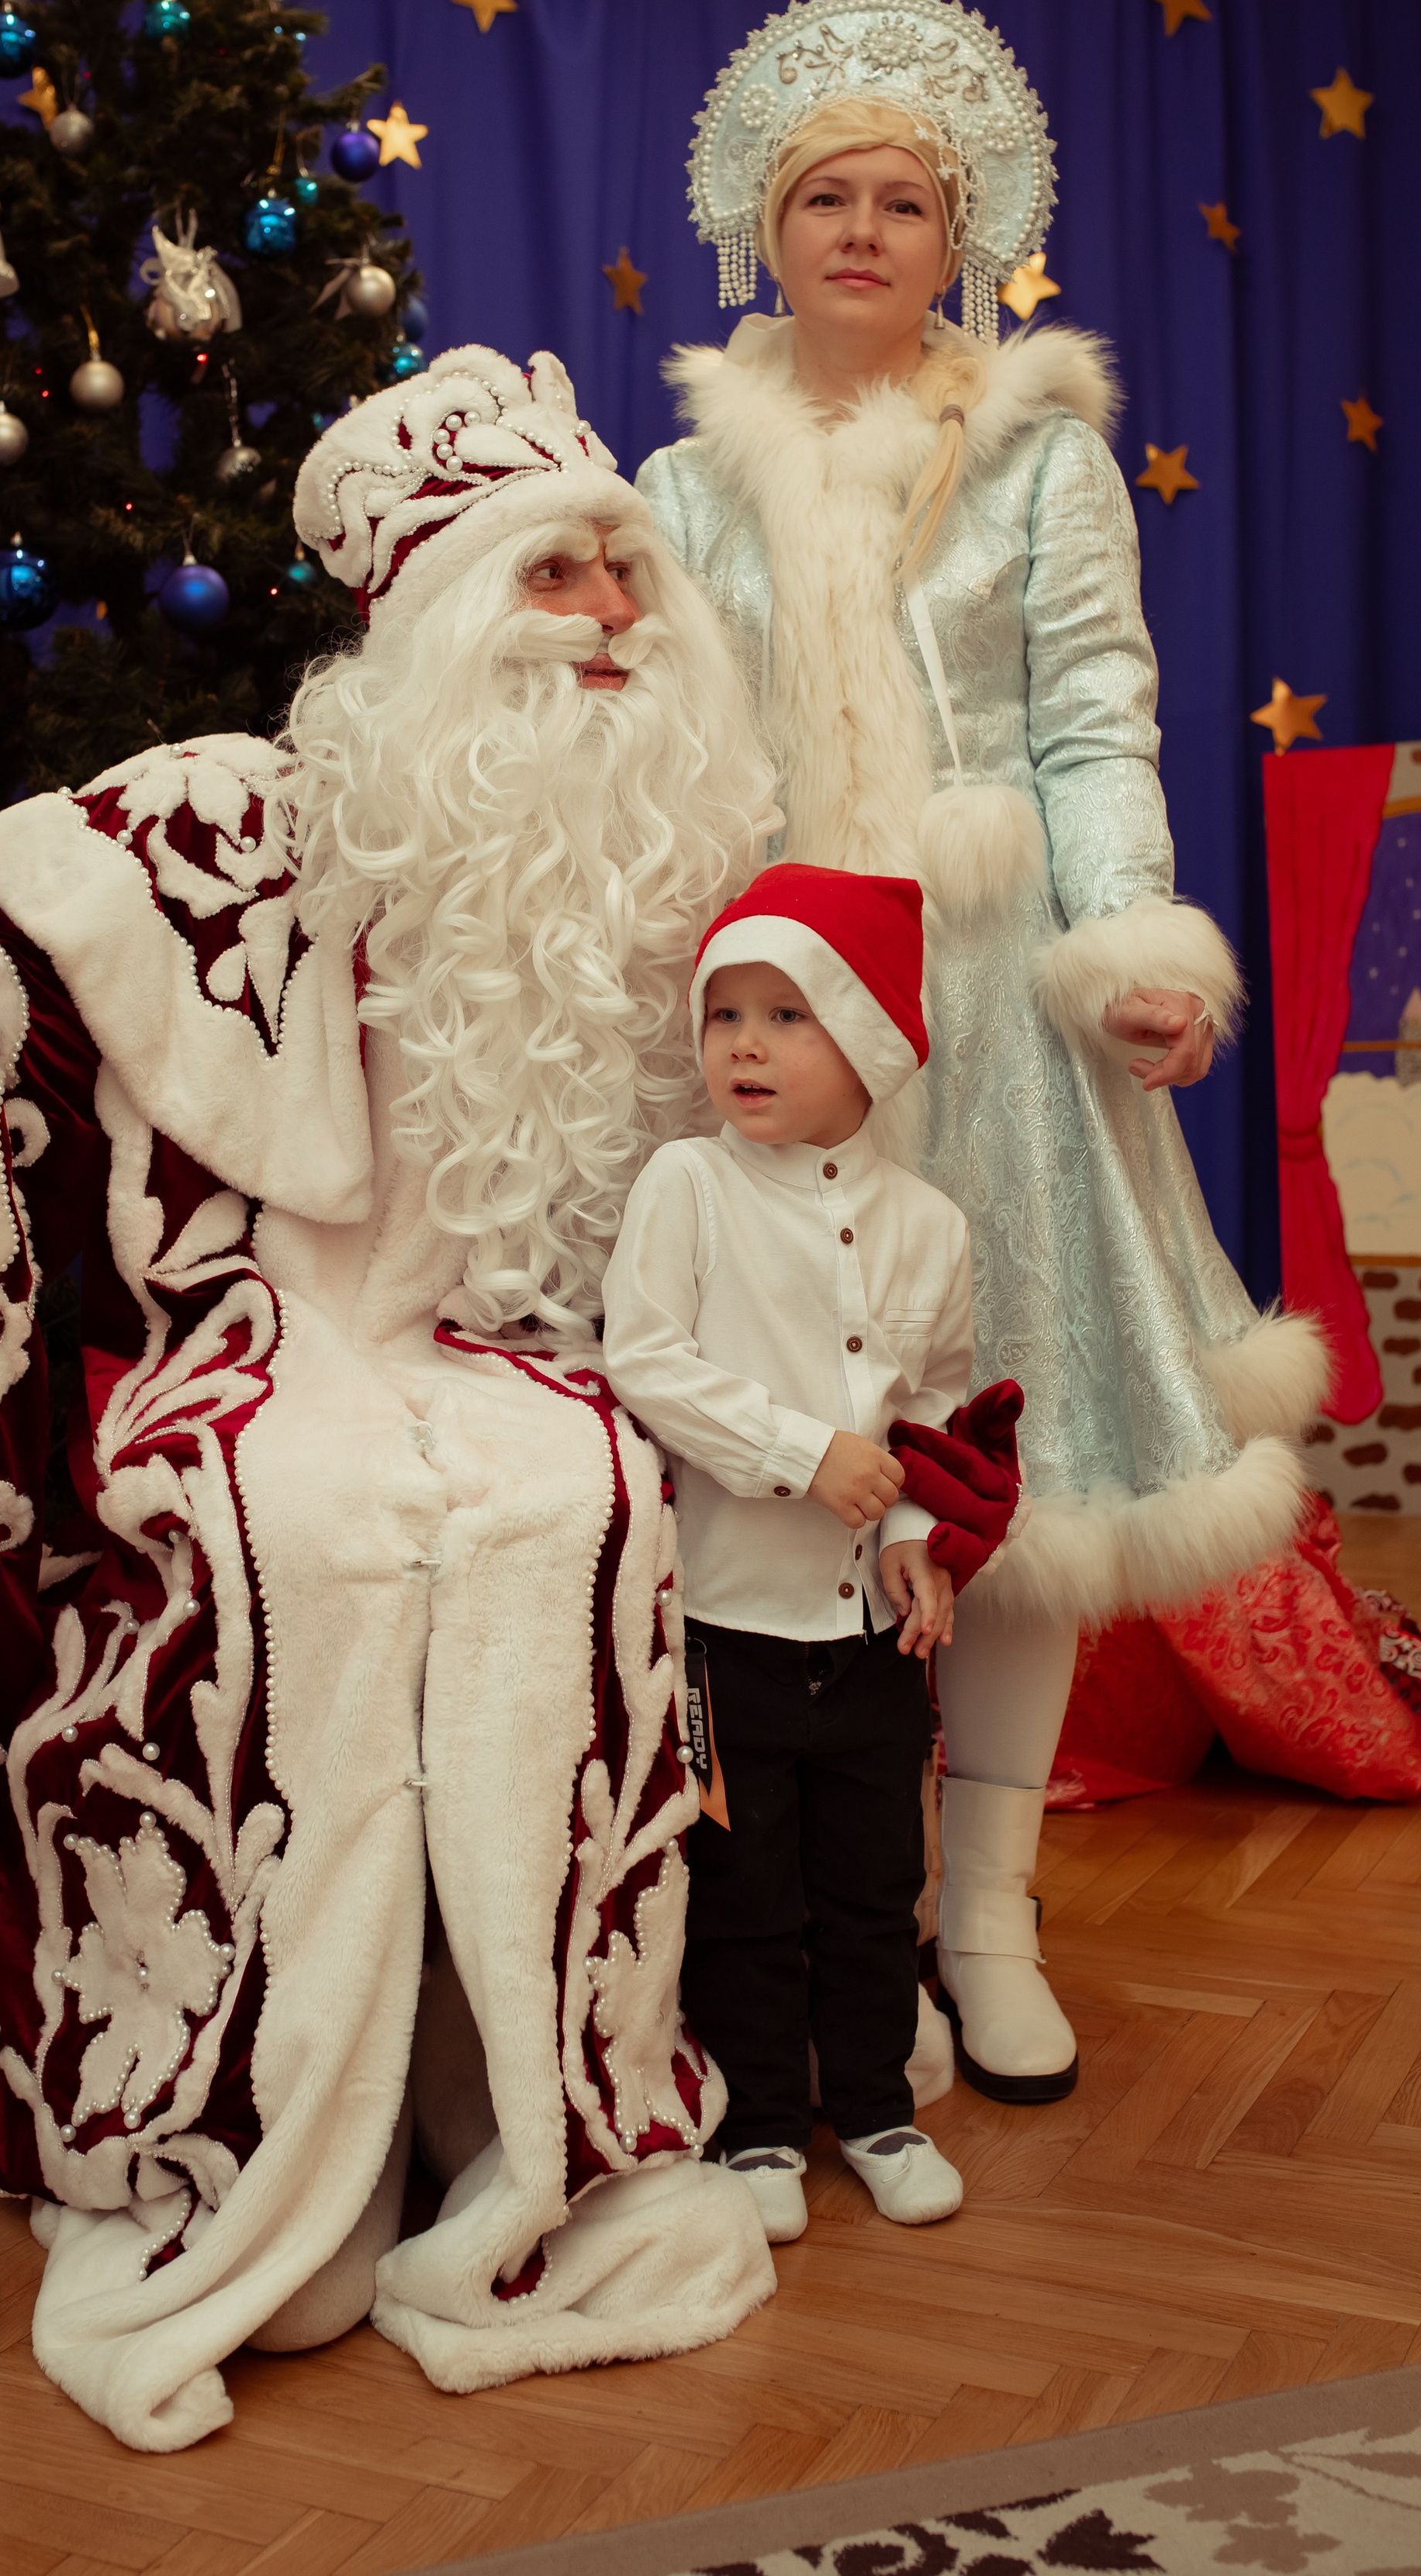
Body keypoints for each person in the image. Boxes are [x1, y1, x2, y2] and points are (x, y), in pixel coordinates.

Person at [0, 346, 782, 2453]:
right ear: (438, 616)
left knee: (579, 1504)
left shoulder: (669, 865)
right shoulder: (219, 824)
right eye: (563, 579)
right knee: (304, 1538)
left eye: (634, 578)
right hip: (245, 1332)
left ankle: (528, 2129)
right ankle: (269, 2153)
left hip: (527, 1340)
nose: (619, 622)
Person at [636, 0, 1328, 2108]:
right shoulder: (676, 477)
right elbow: (659, 749)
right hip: (763, 998)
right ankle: (790, 1919)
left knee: (1002, 1473)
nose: (863, 229)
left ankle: (986, 1912)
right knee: (761, 1453)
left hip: (998, 1011)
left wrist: (1130, 939)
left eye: (904, 200)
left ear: (962, 232)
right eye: (825, 196)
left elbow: (1093, 718)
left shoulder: (1036, 449)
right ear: (767, 225)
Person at [603, 863, 1025, 2243]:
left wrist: (912, 1530)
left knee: (869, 1886)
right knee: (744, 1890)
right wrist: (802, 1450)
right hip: (731, 1625)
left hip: (875, 1637)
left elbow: (934, 1411)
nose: (743, 1042)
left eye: (787, 1013)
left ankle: (880, 2107)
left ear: (871, 1039)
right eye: (725, 1012)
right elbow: (645, 1355)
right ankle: (764, 2127)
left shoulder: (934, 1227)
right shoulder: (690, 1185)